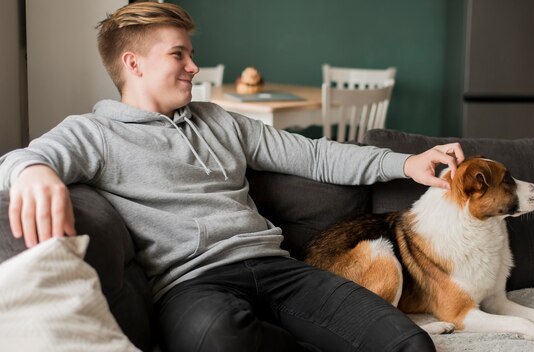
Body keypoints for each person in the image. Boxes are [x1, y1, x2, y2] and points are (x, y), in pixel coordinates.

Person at [0, 2, 464, 351]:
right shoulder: (95, 133)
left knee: (409, 344)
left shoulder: (219, 120)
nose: (193, 66)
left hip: (279, 270)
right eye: (178, 54)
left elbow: (315, 156)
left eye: (191, 53)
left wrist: (405, 163)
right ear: (133, 64)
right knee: (219, 339)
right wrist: (35, 171)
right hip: (192, 285)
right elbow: (21, 158)